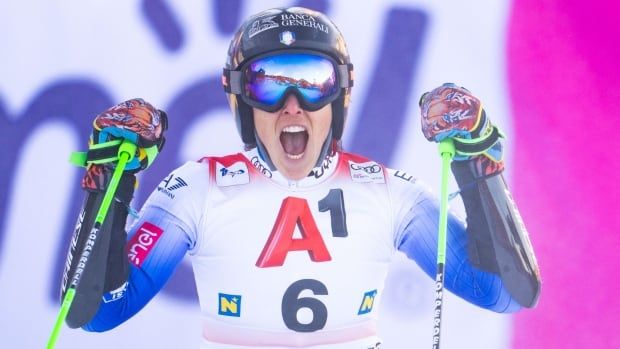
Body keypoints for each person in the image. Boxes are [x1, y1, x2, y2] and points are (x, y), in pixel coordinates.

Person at [59, 6, 541, 349]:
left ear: (340, 96)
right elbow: (95, 312)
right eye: (267, 83)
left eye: (313, 81)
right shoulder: (198, 188)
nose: (292, 104)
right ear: (241, 100)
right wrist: (111, 182)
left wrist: (478, 165)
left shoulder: (386, 191)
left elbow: (505, 292)